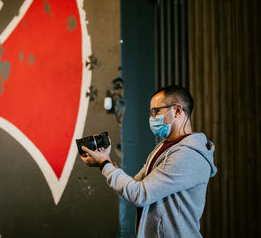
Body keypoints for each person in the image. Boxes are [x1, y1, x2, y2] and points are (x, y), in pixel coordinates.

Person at [80, 85, 217, 238]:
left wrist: (103, 164)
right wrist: (106, 159)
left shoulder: (188, 155)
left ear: (178, 111)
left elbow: (140, 195)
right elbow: (134, 186)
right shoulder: (164, 147)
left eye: (156, 111)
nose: (152, 118)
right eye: (150, 113)